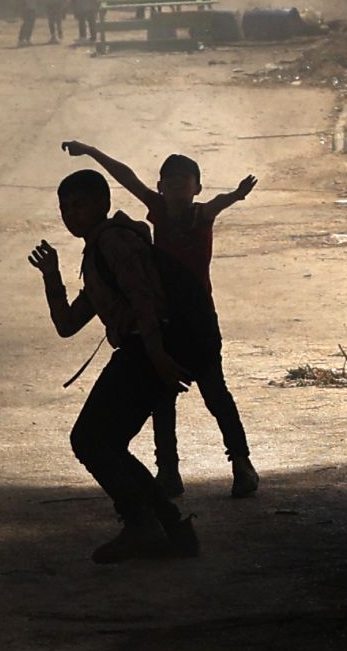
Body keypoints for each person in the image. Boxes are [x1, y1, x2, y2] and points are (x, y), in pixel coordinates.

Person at [28, 170, 207, 563]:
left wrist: (157, 356)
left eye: (79, 205)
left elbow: (144, 299)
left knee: (90, 440)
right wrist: (52, 277)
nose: (71, 215)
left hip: (147, 348)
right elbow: (67, 325)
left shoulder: (114, 241)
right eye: (64, 208)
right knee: (106, 443)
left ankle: (143, 525)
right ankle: (171, 527)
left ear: (103, 204)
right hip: (143, 351)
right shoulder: (97, 253)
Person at [63, 144, 258, 498]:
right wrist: (92, 152)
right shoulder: (158, 210)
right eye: (170, 180)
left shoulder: (200, 215)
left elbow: (220, 202)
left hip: (198, 317)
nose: (177, 185)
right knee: (161, 400)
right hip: (163, 317)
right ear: (161, 186)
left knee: (214, 392)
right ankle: (168, 470)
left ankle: (241, 462)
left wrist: (236, 195)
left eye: (185, 180)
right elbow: (126, 177)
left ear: (197, 188)